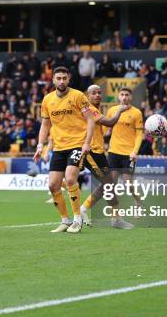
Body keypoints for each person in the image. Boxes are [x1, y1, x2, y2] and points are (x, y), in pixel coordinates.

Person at [34, 66, 96, 234]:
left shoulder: (78, 96)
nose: (61, 81)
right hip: (59, 147)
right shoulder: (47, 100)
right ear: (53, 80)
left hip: (77, 144)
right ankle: (65, 220)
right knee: (53, 185)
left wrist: (87, 143)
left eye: (64, 78)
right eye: (58, 78)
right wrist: (40, 146)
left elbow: (91, 120)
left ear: (69, 79)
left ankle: (77, 219)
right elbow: (45, 125)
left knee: (70, 179)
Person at [79, 85, 134, 229]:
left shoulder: (94, 110)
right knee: (109, 184)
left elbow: (100, 129)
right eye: (93, 93)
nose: (97, 95)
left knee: (108, 185)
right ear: (87, 95)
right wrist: (119, 111)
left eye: (99, 93)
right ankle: (114, 219)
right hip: (91, 153)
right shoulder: (89, 109)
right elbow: (110, 122)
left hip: (99, 152)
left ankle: (87, 210)